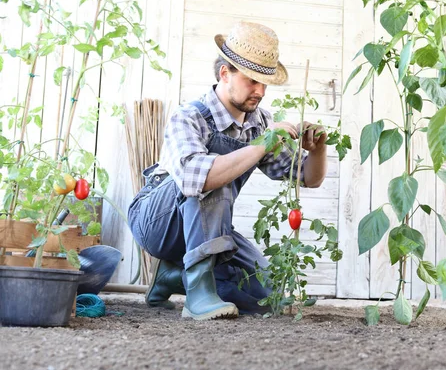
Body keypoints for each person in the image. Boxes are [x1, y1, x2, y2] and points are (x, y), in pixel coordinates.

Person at [127, 21, 328, 321]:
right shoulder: (190, 115)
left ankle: (173, 276)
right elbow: (199, 178)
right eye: (251, 81)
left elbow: (308, 178)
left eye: (265, 83)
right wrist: (263, 144)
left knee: (268, 297)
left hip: (207, 228)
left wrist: (318, 149)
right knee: (215, 170)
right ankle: (197, 294)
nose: (260, 91)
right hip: (156, 222)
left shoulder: (258, 124)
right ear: (225, 73)